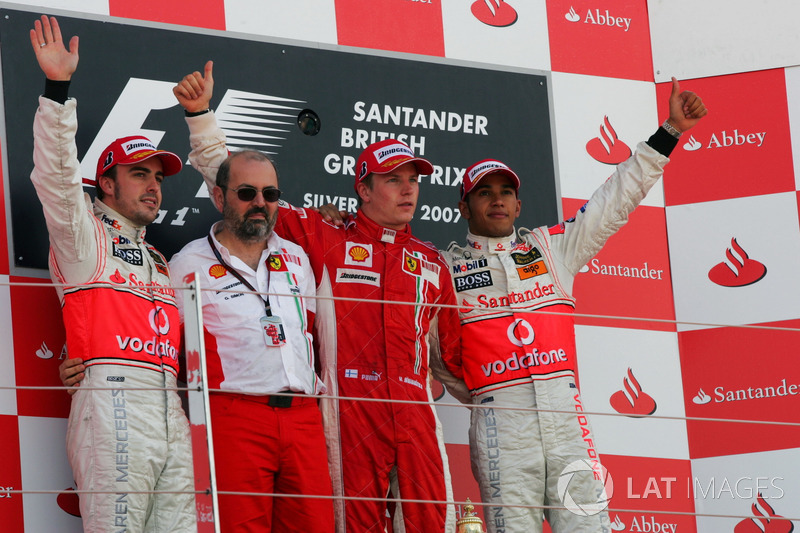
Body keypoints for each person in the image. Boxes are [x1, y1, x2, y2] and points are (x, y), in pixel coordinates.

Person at [175, 61, 464, 532]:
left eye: (414, 180)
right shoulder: (323, 236)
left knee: (433, 523)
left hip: (414, 417)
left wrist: (500, 408)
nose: (408, 188)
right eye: (394, 179)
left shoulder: (433, 262)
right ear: (363, 188)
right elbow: (238, 191)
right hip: (347, 413)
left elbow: (451, 358)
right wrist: (201, 117)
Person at [439, 79, 707, 532]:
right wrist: (488, 399)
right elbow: (437, 356)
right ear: (464, 207)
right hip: (501, 424)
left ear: (520, 205)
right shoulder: (444, 269)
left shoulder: (551, 250)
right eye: (484, 192)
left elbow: (614, 201)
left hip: (567, 419)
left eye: (505, 191)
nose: (497, 199)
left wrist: (670, 132)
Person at [29, 15, 196, 532]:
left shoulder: (161, 260)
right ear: (105, 183)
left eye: (158, 177)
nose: (153, 186)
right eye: (139, 174)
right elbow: (56, 179)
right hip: (113, 403)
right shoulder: (85, 237)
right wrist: (57, 91)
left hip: (171, 408)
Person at [166, 147, 335, 531]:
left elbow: (312, 336)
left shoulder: (296, 258)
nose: (260, 203)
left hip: (304, 419)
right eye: (247, 193)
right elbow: (161, 347)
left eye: (270, 194)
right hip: (234, 416)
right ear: (219, 196)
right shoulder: (188, 264)